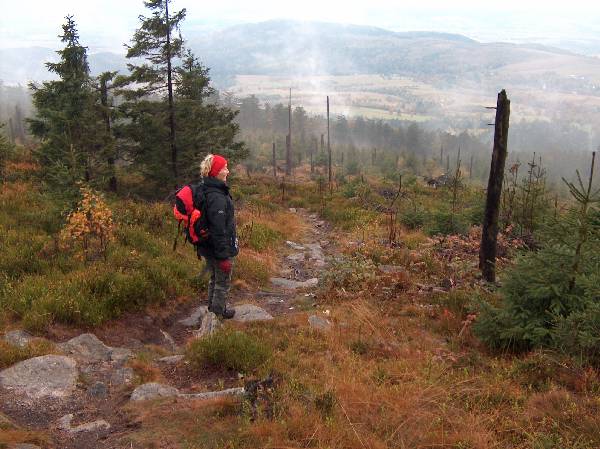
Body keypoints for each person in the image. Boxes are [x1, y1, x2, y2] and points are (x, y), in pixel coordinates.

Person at [197, 154, 238, 319]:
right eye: (224, 168)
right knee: (222, 282)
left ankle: (215, 309)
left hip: (209, 246)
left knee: (215, 278)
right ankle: (215, 317)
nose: (227, 171)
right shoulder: (217, 197)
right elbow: (218, 229)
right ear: (215, 172)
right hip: (218, 248)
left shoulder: (211, 189)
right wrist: (223, 257)